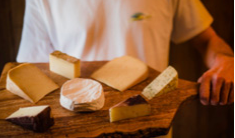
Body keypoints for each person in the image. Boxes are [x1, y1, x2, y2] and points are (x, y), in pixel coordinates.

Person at [17, 0, 233, 106]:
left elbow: (206, 40)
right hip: (76, 128)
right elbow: (32, 72)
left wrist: (226, 59)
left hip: (150, 125)